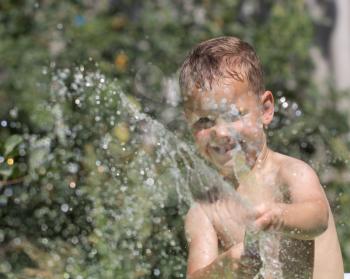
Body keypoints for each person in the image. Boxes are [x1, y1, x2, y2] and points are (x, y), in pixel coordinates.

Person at [179, 36, 343, 279]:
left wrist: (279, 216)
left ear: (265, 109)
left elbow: (318, 218)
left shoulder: (289, 173)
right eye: (205, 121)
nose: (221, 132)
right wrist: (221, 268)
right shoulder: (205, 209)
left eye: (234, 114)